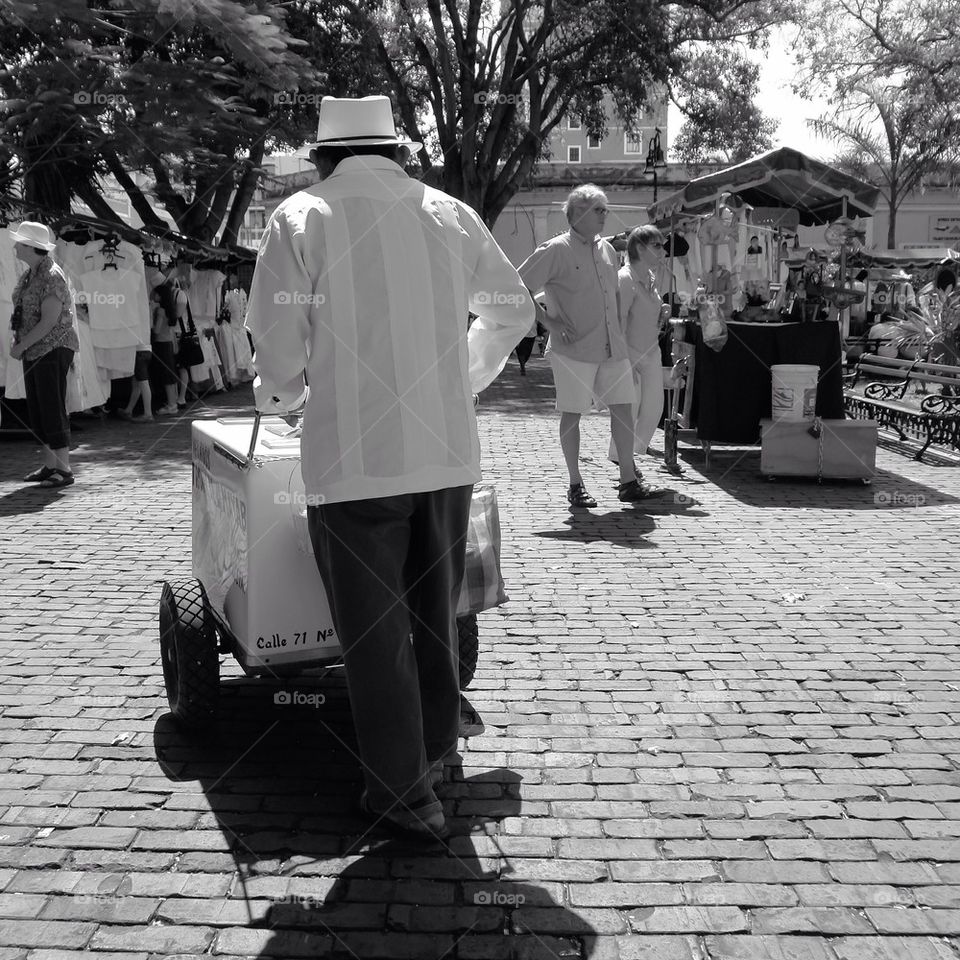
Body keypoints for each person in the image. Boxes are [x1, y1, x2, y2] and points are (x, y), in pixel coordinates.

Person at [245, 95, 534, 841]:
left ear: (322, 157)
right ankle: (432, 758)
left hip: (351, 461)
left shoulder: (301, 217)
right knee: (433, 615)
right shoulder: (451, 213)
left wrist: (284, 396)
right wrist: (460, 377)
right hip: (443, 453)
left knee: (373, 634)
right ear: (398, 150)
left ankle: (404, 796)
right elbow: (512, 311)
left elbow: (277, 340)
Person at [518, 185, 663, 505]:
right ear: (577, 214)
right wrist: (549, 322)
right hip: (573, 350)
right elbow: (517, 286)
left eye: (604, 208)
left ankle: (628, 480)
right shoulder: (555, 249)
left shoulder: (608, 250)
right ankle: (575, 484)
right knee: (573, 414)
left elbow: (613, 299)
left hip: (613, 349)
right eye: (598, 209)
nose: (605, 214)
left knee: (625, 408)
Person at [7, 221, 80, 488]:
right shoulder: (32, 274)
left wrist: (21, 344)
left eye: (19, 243)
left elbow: (49, 321)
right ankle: (52, 465)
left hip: (52, 347)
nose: (14, 246)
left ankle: (63, 468)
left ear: (31, 247)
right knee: (39, 408)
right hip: (37, 348)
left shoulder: (51, 275)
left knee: (51, 405)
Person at [607, 226, 672, 469]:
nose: (662, 250)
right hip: (630, 353)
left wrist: (662, 309)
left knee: (654, 409)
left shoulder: (650, 279)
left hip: (651, 351)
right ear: (639, 248)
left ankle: (627, 454)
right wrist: (624, 362)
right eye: (657, 245)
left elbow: (647, 310)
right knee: (629, 411)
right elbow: (617, 323)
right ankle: (622, 459)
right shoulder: (625, 278)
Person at [148, 285, 181, 415]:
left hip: (161, 344)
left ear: (160, 296)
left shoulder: (161, 310)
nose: (153, 296)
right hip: (168, 343)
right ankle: (173, 403)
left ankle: (171, 405)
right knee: (170, 375)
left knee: (166, 376)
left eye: (155, 294)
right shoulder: (170, 310)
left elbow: (156, 330)